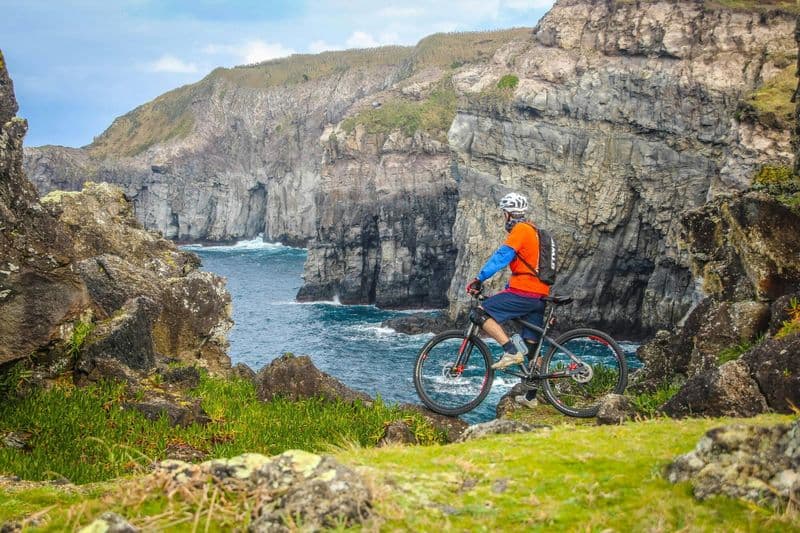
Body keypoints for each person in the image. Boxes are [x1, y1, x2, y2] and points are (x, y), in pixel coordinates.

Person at [465, 192, 549, 408]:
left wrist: (478, 279)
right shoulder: (535, 232)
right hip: (540, 295)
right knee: (531, 350)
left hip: (525, 292)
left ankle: (510, 351)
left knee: (479, 313)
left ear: (508, 213)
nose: (504, 217)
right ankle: (531, 397)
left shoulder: (520, 230)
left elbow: (501, 257)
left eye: (504, 213)